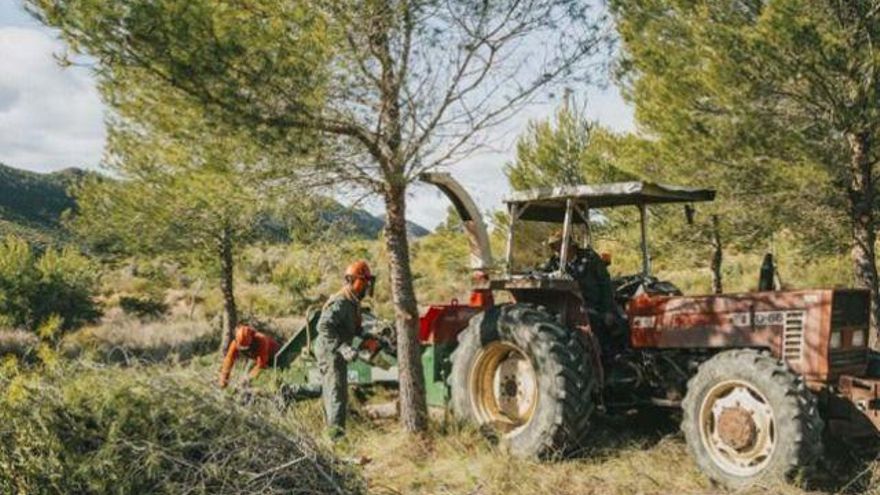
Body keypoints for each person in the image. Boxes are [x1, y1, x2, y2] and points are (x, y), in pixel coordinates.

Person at [315, 260, 375, 438]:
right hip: (329, 351)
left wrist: (367, 339)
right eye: (365, 281)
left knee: (333, 390)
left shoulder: (353, 301)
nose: (367, 286)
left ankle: (332, 435)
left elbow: (354, 328)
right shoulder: (341, 301)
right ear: (354, 280)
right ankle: (335, 439)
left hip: (335, 349)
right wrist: (341, 347)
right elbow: (323, 326)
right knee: (337, 395)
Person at [218, 323, 280, 389]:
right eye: (241, 348)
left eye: (246, 348)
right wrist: (223, 381)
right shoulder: (235, 343)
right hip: (260, 359)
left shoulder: (261, 340)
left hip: (276, 357)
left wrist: (248, 379)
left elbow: (261, 364)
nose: (244, 351)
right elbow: (229, 360)